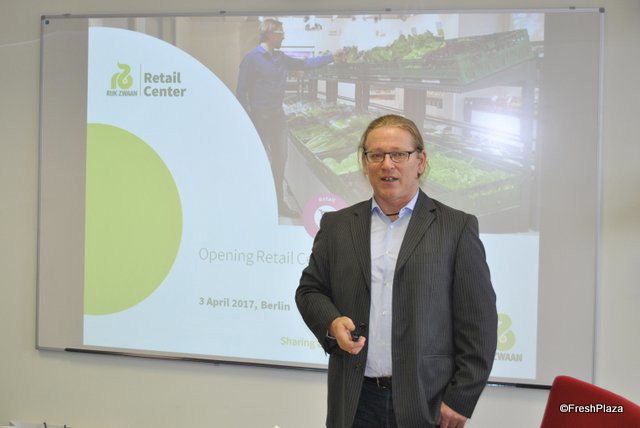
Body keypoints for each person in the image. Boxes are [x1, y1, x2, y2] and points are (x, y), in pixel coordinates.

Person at [295, 114, 497, 428]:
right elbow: (310, 291)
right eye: (376, 155)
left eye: (399, 154)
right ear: (365, 163)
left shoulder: (456, 228)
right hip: (354, 400)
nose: (387, 164)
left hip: (426, 401)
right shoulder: (337, 225)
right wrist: (332, 322)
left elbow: (479, 322)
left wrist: (461, 398)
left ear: (420, 161)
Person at [236, 18, 338, 219]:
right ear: (269, 34)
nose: (283, 37)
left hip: (277, 118)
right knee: (257, 162)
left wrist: (331, 57)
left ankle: (279, 204)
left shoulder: (281, 58)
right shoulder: (251, 58)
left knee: (280, 161)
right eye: (280, 33)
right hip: (258, 119)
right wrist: (246, 122)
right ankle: (254, 205)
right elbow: (241, 92)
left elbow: (306, 64)